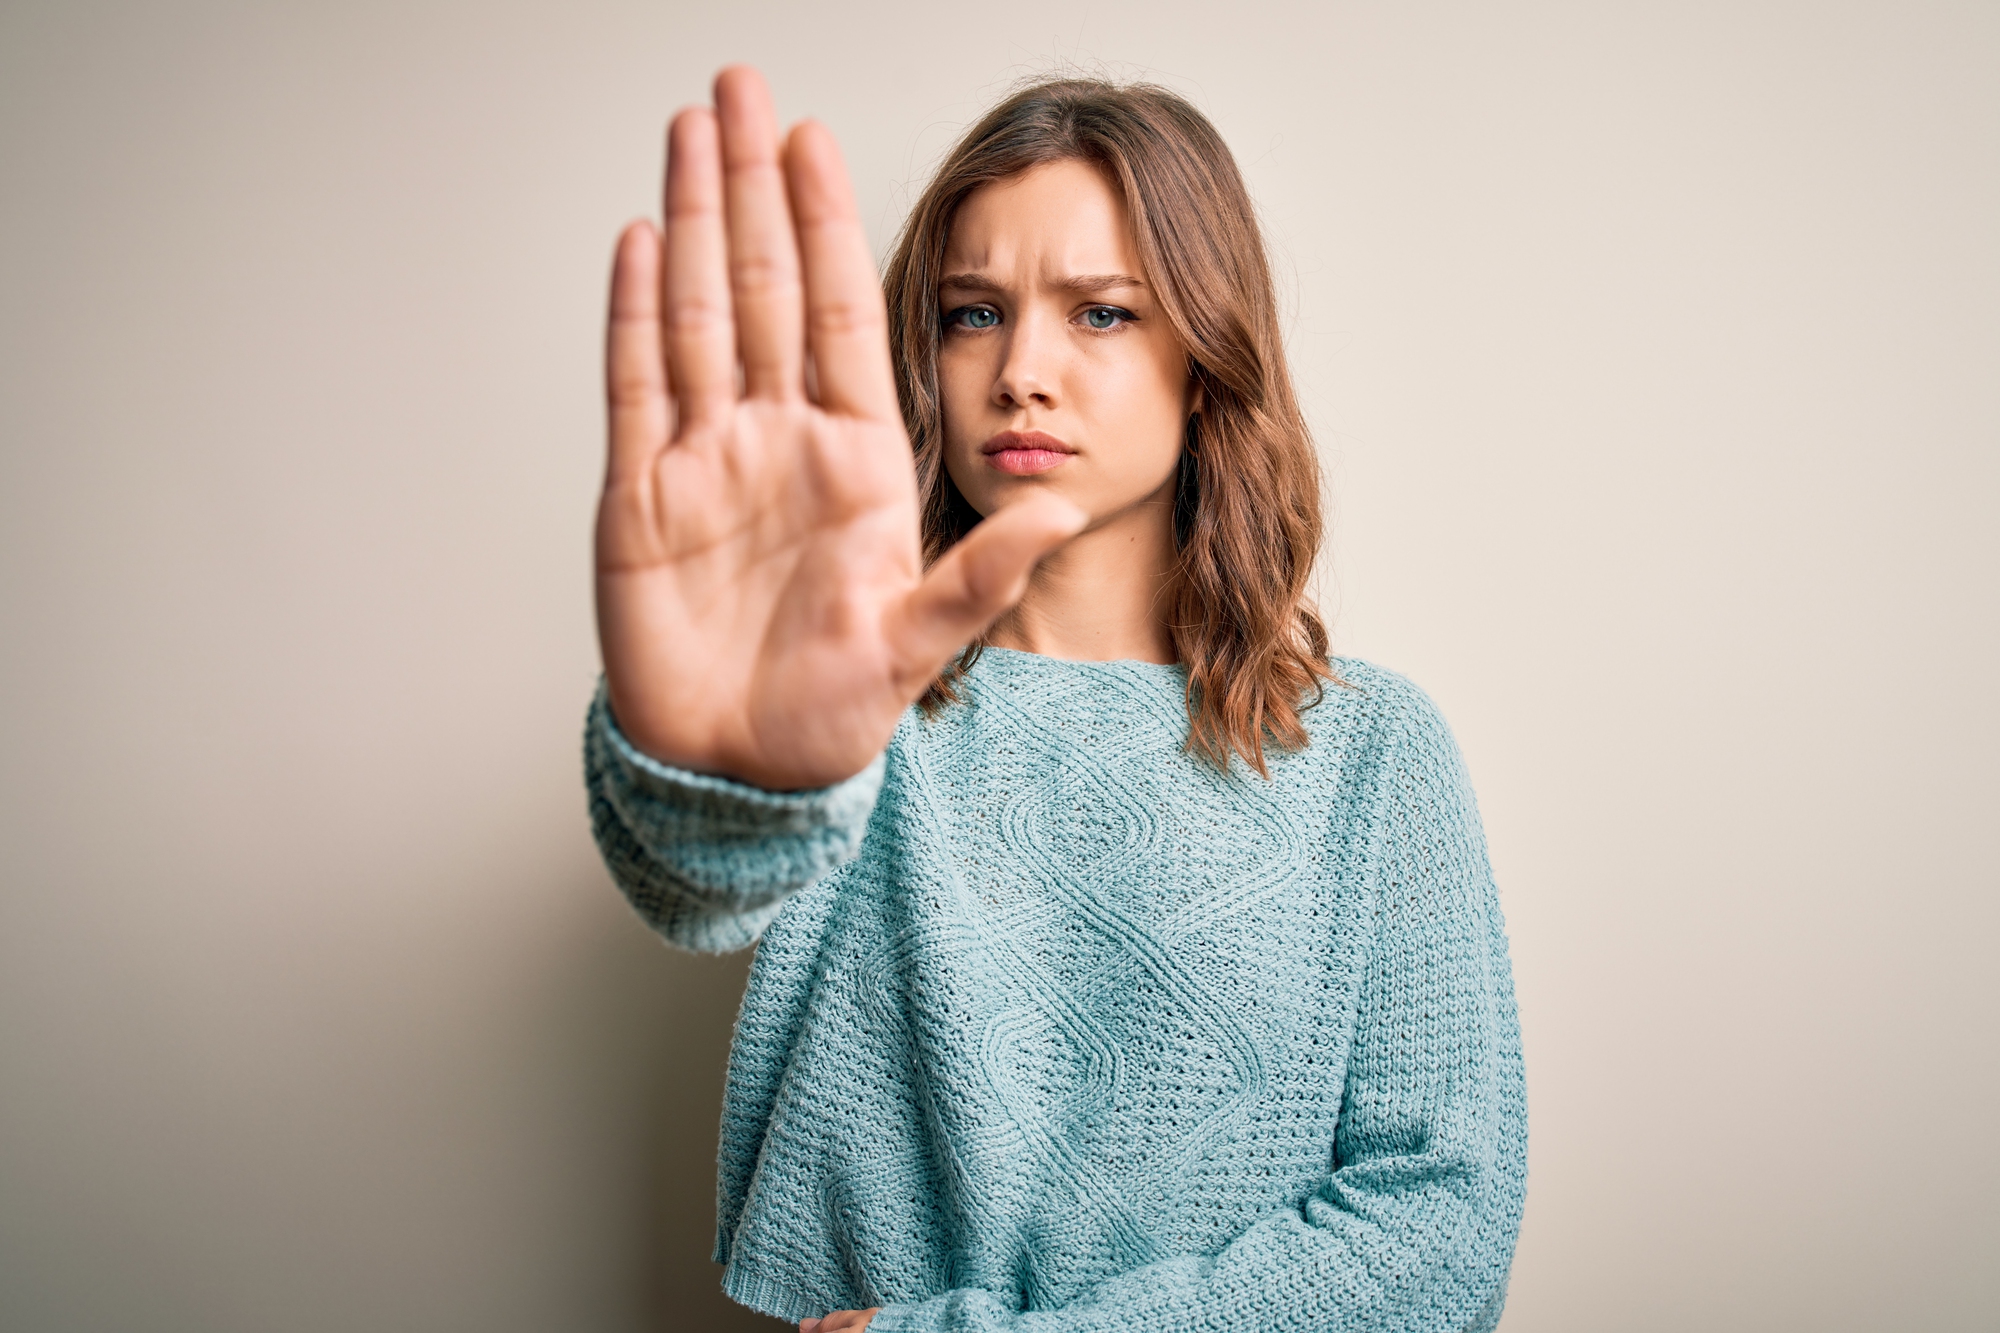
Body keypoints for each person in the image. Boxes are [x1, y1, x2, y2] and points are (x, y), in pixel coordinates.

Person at [585, 64, 1525, 1333]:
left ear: (1203, 359)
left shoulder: (1372, 754)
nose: (1021, 368)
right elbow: (695, 884)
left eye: (1099, 315)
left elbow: (1437, 1233)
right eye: (972, 314)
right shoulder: (857, 705)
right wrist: (703, 765)